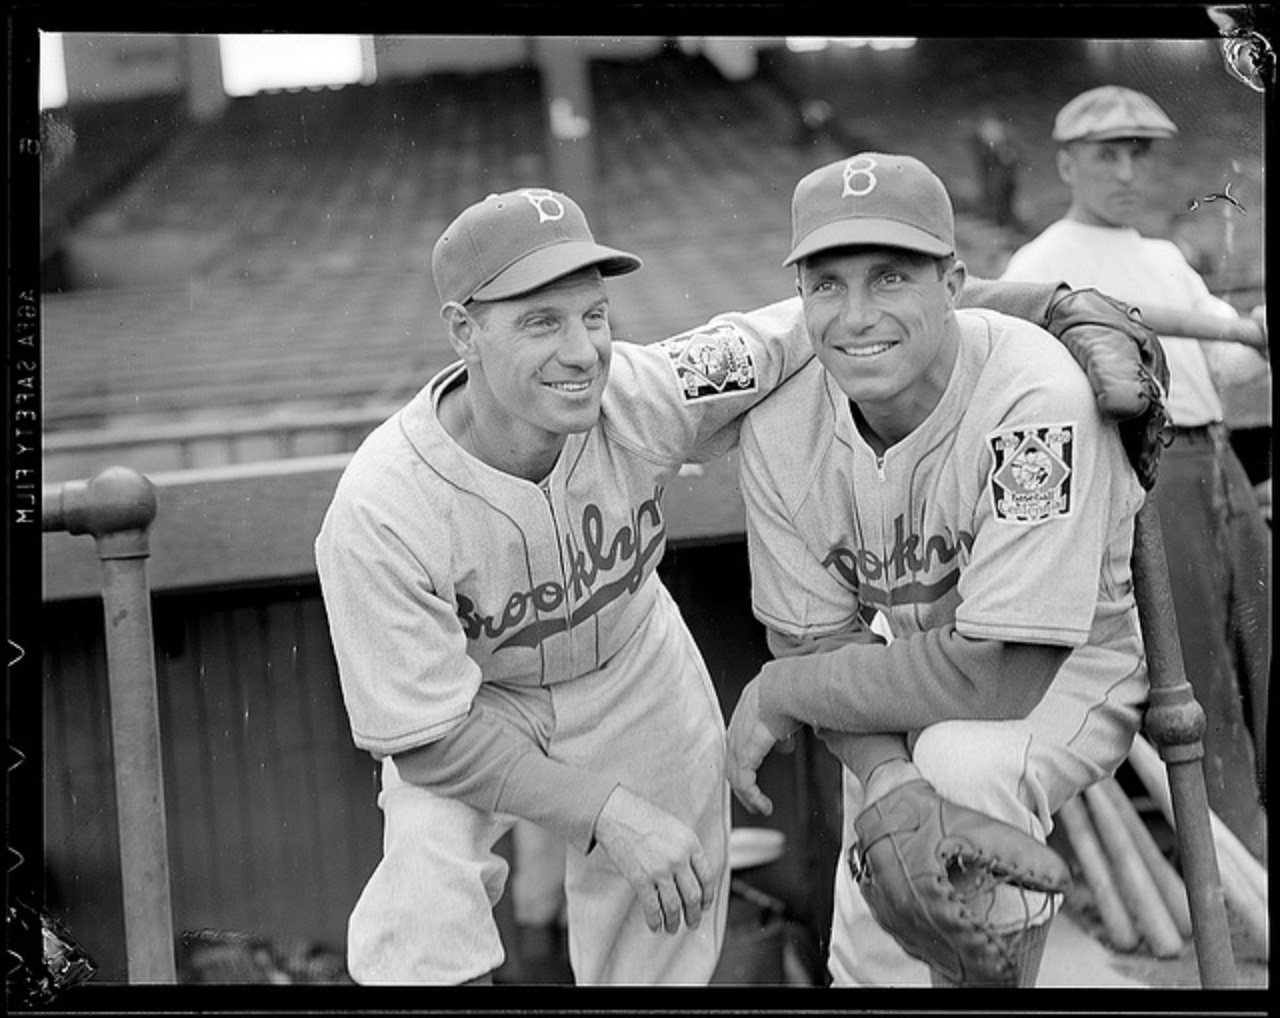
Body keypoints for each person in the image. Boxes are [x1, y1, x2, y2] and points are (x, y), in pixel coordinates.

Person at [315, 184, 1162, 985]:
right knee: (425, 887)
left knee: (669, 903)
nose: (581, 352)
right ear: (464, 329)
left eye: (595, 315)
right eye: (540, 322)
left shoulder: (646, 391)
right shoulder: (384, 507)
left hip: (627, 666)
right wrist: (605, 810)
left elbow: (828, 321)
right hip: (477, 706)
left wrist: (1048, 305)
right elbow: (426, 736)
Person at [724, 152, 1152, 987]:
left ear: (953, 282)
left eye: (890, 278)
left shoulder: (1032, 398)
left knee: (962, 762)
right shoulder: (781, 426)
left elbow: (1007, 673)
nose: (855, 316)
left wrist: (780, 693)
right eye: (826, 285)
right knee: (882, 901)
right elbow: (815, 649)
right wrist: (884, 776)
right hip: (900, 668)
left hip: (1073, 661)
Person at [1000, 85, 1270, 857]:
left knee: (1265, 643)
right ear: (1066, 164)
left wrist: (1255, 333)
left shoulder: (1164, 258)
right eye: (1105, 154)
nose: (1125, 171)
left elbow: (1227, 361)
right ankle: (1241, 876)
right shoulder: (1042, 263)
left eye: (1139, 153)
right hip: (1147, 474)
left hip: (1217, 456)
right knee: (1200, 681)